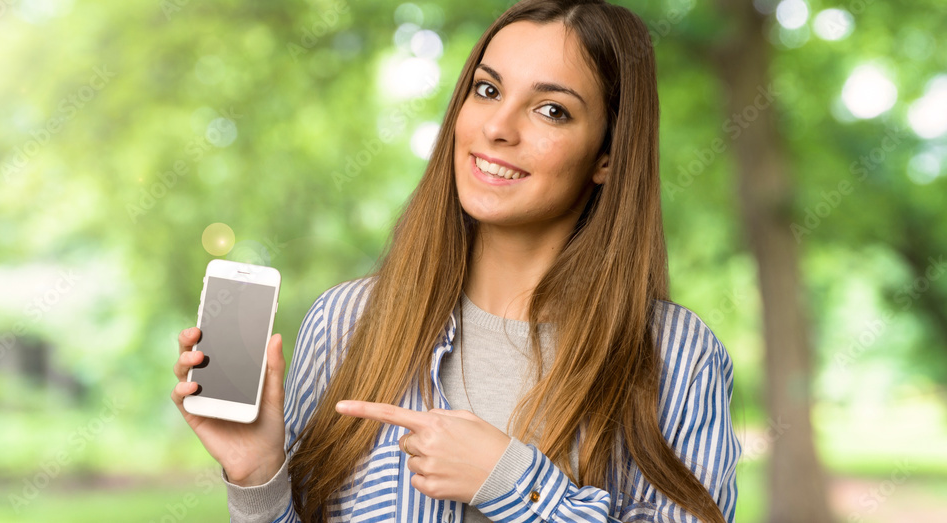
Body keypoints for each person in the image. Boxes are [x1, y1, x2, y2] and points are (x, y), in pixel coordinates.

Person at [171, 0, 741, 521]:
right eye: (488, 91)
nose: (497, 128)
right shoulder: (345, 323)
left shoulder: (676, 357)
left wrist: (513, 482)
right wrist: (257, 477)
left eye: (550, 110)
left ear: (609, 158)